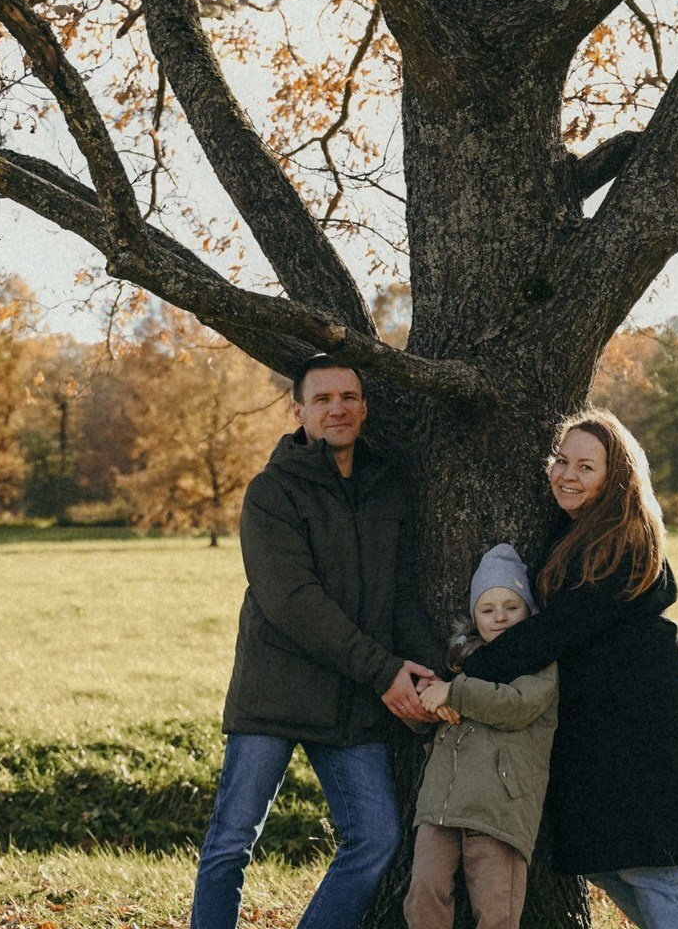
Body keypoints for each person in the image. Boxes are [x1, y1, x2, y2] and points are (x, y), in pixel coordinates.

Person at [191, 353, 441, 929]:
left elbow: (400, 594)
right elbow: (291, 602)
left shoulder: (388, 486)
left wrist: (434, 671)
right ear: (298, 410)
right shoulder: (272, 491)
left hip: (350, 701)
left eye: (348, 397)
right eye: (323, 399)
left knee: (376, 839)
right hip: (276, 694)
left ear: (364, 408)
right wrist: (383, 672)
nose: (337, 408)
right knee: (232, 841)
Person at [460, 409, 678, 929]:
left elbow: (558, 628)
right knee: (605, 859)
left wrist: (467, 674)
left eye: (586, 467)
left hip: (639, 714)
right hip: (597, 716)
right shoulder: (574, 528)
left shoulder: (623, 539)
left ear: (614, 477)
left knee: (651, 864)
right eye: (562, 460)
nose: (567, 475)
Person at [403, 542, 558, 929]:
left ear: (529, 611)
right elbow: (430, 718)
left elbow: (516, 705)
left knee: (497, 907)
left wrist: (454, 693)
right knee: (424, 891)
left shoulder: (539, 663)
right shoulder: (459, 662)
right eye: (488, 609)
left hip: (498, 806)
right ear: (474, 616)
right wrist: (428, 703)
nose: (500, 617)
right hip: (441, 803)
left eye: (512, 606)